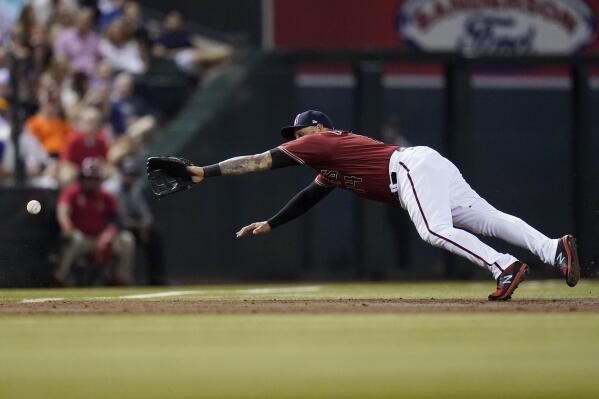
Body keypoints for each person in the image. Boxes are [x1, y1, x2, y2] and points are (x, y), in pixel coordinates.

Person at [148, 110, 581, 301]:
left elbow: (261, 162)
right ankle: (553, 250)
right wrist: (273, 224)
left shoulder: (320, 141)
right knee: (487, 218)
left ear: (318, 128)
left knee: (432, 230)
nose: (294, 137)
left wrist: (204, 172)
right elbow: (310, 195)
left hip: (408, 167)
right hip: (425, 165)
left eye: (298, 130)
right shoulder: (331, 163)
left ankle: (503, 265)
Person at [55, 157, 134, 286]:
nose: (90, 182)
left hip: (102, 237)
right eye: (87, 179)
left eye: (94, 179)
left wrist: (108, 235)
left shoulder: (105, 195)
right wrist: (66, 226)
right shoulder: (72, 192)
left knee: (127, 239)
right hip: (83, 237)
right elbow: (62, 211)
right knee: (75, 240)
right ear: (81, 179)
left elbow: (116, 219)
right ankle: (60, 278)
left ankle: (120, 279)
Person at [105, 157, 166, 285]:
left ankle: (157, 279)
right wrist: (139, 227)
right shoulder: (112, 189)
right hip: (113, 228)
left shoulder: (134, 188)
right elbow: (119, 219)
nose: (130, 178)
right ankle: (119, 279)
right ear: (120, 173)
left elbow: (145, 213)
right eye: (127, 174)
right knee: (128, 240)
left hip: (133, 227)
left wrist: (144, 226)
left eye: (132, 175)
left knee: (155, 234)